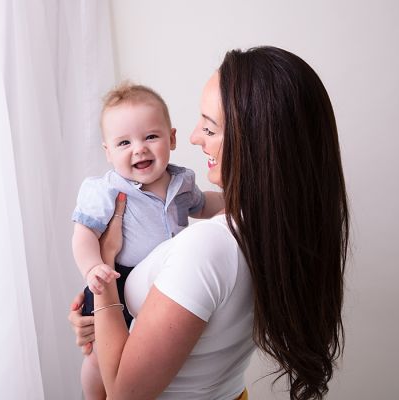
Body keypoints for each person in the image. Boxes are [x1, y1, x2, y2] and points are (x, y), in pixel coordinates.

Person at [69, 46, 349, 400]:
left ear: (257, 144)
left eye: (210, 129)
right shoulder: (273, 229)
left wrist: (105, 278)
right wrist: (106, 320)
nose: (194, 138)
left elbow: (125, 395)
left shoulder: (208, 247)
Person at [71, 83, 223, 399]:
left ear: (172, 138)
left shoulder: (181, 182)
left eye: (150, 137)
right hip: (115, 277)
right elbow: (84, 235)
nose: (139, 148)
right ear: (108, 152)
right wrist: (94, 269)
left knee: (140, 352)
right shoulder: (107, 191)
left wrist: (235, 201)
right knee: (100, 356)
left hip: (162, 279)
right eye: (124, 142)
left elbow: (205, 205)